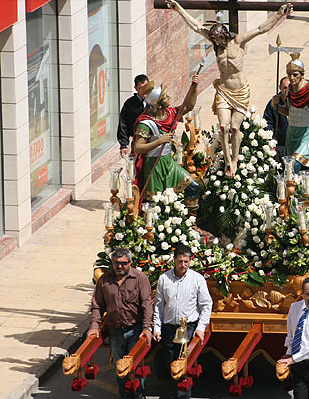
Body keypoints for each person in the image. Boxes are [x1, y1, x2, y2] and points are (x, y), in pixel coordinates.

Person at [167, 0, 293, 178]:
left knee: (235, 128)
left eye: (219, 39)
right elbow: (196, 26)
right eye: (215, 40)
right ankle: (228, 162)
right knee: (223, 126)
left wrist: (278, 14)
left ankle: (235, 159)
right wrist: (179, 9)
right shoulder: (215, 44)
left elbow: (260, 29)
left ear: (224, 35)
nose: (217, 43)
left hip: (240, 91)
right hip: (224, 91)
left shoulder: (238, 40)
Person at [89, 248, 153, 399]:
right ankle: (124, 396)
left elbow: (146, 304)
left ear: (130, 263)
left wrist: (147, 327)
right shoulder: (105, 280)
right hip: (115, 331)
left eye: (123, 263)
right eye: (116, 263)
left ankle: (139, 395)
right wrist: (94, 326)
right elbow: (97, 304)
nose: (119, 266)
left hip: (135, 330)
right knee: (120, 367)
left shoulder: (140, 278)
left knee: (135, 366)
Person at [152, 244, 213, 399]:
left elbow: (206, 304)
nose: (183, 265)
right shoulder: (164, 279)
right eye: (180, 261)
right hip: (169, 329)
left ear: (190, 261)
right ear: (174, 260)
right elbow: (158, 305)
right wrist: (157, 328)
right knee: (171, 363)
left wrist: (201, 327)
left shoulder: (197, 279)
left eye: (186, 261)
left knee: (184, 364)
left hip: (190, 328)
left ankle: (183, 395)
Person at [133, 76, 200, 215]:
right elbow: (138, 148)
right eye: (165, 97)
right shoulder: (145, 123)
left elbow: (188, 106)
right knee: (156, 203)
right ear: (157, 104)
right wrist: (159, 141)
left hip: (168, 163)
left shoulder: (169, 114)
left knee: (193, 186)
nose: (168, 97)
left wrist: (194, 87)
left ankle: (191, 223)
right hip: (154, 166)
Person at [281, 53, 309, 192]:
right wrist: (277, 107)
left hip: (307, 137)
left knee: (293, 165)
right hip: (292, 135)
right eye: (289, 75)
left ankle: (296, 198)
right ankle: (292, 199)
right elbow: (290, 112)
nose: (292, 78)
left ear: (302, 74)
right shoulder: (291, 91)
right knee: (289, 171)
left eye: (295, 74)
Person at [118, 74, 149, 158]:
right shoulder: (130, 104)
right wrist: (123, 145)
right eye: (141, 88)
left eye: (146, 87)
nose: (144, 91)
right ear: (136, 88)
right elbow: (123, 124)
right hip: (137, 142)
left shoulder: (154, 101)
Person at [264, 77, 290, 159]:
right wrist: (270, 142)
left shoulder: (297, 102)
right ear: (280, 88)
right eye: (285, 87)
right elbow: (267, 123)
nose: (287, 90)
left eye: (290, 87)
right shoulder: (273, 103)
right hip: (280, 146)